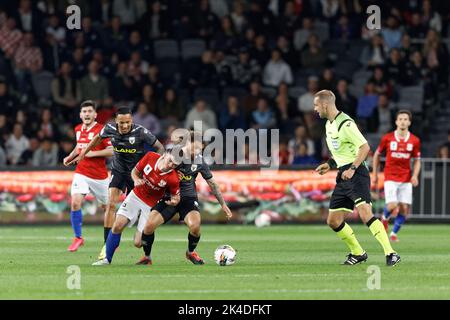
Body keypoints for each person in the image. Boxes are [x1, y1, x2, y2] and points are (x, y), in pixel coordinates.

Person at [313, 90, 400, 266]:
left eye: (316, 105)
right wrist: (329, 165)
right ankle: (358, 253)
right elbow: (342, 152)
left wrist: (352, 168)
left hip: (356, 173)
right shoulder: (329, 125)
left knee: (365, 213)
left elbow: (365, 147)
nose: (315, 109)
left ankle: (391, 253)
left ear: (325, 104)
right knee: (333, 220)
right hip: (343, 174)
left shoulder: (345, 124)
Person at [69, 107, 165, 260]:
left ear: (131, 121)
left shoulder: (140, 131)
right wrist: (83, 154)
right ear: (116, 121)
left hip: (136, 174)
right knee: (111, 204)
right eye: (122, 123)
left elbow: (160, 147)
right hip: (118, 171)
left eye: (127, 122)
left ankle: (143, 238)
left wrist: (156, 167)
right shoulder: (109, 129)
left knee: (140, 211)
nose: (125, 126)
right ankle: (106, 245)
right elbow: (96, 139)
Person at [138, 131, 233, 265]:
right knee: (148, 227)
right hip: (169, 197)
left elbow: (212, 183)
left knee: (195, 227)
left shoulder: (200, 162)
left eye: (199, 148)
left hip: (188, 198)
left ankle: (190, 252)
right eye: (193, 147)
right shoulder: (172, 156)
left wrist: (223, 204)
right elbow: (156, 170)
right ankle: (147, 257)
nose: (195, 151)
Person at [93, 147, 182, 266]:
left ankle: (140, 231)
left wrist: (174, 202)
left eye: (175, 165)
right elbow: (134, 172)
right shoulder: (150, 156)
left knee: (138, 243)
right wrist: (136, 180)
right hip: (135, 196)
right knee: (117, 225)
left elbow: (176, 197)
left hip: (150, 205)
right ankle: (106, 259)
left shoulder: (173, 178)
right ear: (165, 154)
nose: (171, 165)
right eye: (170, 161)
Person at [63, 100, 113, 252]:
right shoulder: (78, 129)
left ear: (95, 114)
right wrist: (70, 156)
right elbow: (79, 147)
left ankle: (111, 239)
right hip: (82, 172)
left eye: (90, 111)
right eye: (84, 112)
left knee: (108, 208)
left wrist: (93, 153)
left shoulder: (102, 130)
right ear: (80, 115)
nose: (87, 114)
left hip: (99, 176)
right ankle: (78, 238)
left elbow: (111, 151)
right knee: (75, 202)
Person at [372, 110, 421, 242]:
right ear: (396, 122)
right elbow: (377, 154)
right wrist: (375, 174)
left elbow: (417, 160)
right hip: (390, 176)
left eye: (405, 119)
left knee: (404, 208)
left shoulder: (415, 140)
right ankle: (384, 218)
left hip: (406, 178)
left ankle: (393, 234)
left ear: (409, 122)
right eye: (400, 119)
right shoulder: (387, 138)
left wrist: (415, 175)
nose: (403, 121)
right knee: (393, 205)